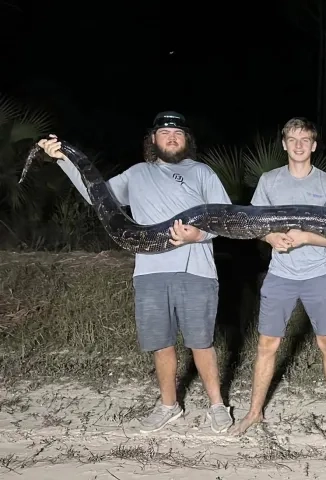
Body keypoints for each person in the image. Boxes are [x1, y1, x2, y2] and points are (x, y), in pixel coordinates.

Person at [37, 111, 234, 433]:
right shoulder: (137, 173)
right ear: (152, 140)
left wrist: (199, 235)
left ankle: (216, 406)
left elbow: (223, 217)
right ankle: (169, 406)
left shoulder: (201, 172)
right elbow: (94, 196)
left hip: (196, 270)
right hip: (150, 272)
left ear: (187, 141)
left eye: (178, 133)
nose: (171, 137)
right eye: (164, 132)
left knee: (201, 342)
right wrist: (63, 160)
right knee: (161, 343)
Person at [229, 117, 326, 437]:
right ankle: (254, 412)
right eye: (293, 138)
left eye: (305, 139)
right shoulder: (269, 180)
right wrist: (271, 237)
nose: (299, 145)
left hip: (318, 275)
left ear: (314, 145)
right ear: (284, 143)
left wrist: (306, 237)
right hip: (280, 276)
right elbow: (254, 225)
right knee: (267, 345)